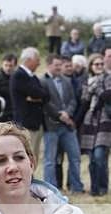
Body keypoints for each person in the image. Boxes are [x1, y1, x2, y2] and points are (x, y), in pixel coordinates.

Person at [40, 54, 83, 193]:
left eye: (60, 65)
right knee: (50, 160)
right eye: (56, 65)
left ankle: (76, 187)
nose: (59, 67)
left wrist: (67, 113)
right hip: (51, 126)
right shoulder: (42, 82)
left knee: (75, 157)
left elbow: (73, 101)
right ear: (49, 65)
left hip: (67, 127)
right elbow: (45, 104)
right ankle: (50, 190)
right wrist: (60, 115)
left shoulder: (66, 81)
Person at [10, 47, 48, 164]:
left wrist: (37, 97)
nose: (39, 62)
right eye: (37, 59)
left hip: (35, 123)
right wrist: (37, 96)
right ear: (29, 60)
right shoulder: (19, 75)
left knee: (33, 157)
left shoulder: (32, 76)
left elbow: (45, 95)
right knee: (27, 158)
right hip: (27, 124)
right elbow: (36, 92)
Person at [80, 53, 111, 196]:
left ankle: (103, 187)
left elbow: (107, 96)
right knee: (92, 158)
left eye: (101, 64)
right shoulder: (87, 82)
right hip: (90, 121)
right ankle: (94, 189)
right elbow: (84, 102)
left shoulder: (108, 78)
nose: (99, 66)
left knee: (100, 155)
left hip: (105, 120)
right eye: (96, 64)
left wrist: (96, 88)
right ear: (91, 66)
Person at [0, 53, 17, 122]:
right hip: (1, 115)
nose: (8, 68)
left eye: (10, 66)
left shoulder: (18, 77)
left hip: (15, 114)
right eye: (6, 65)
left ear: (15, 66)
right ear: (2, 64)